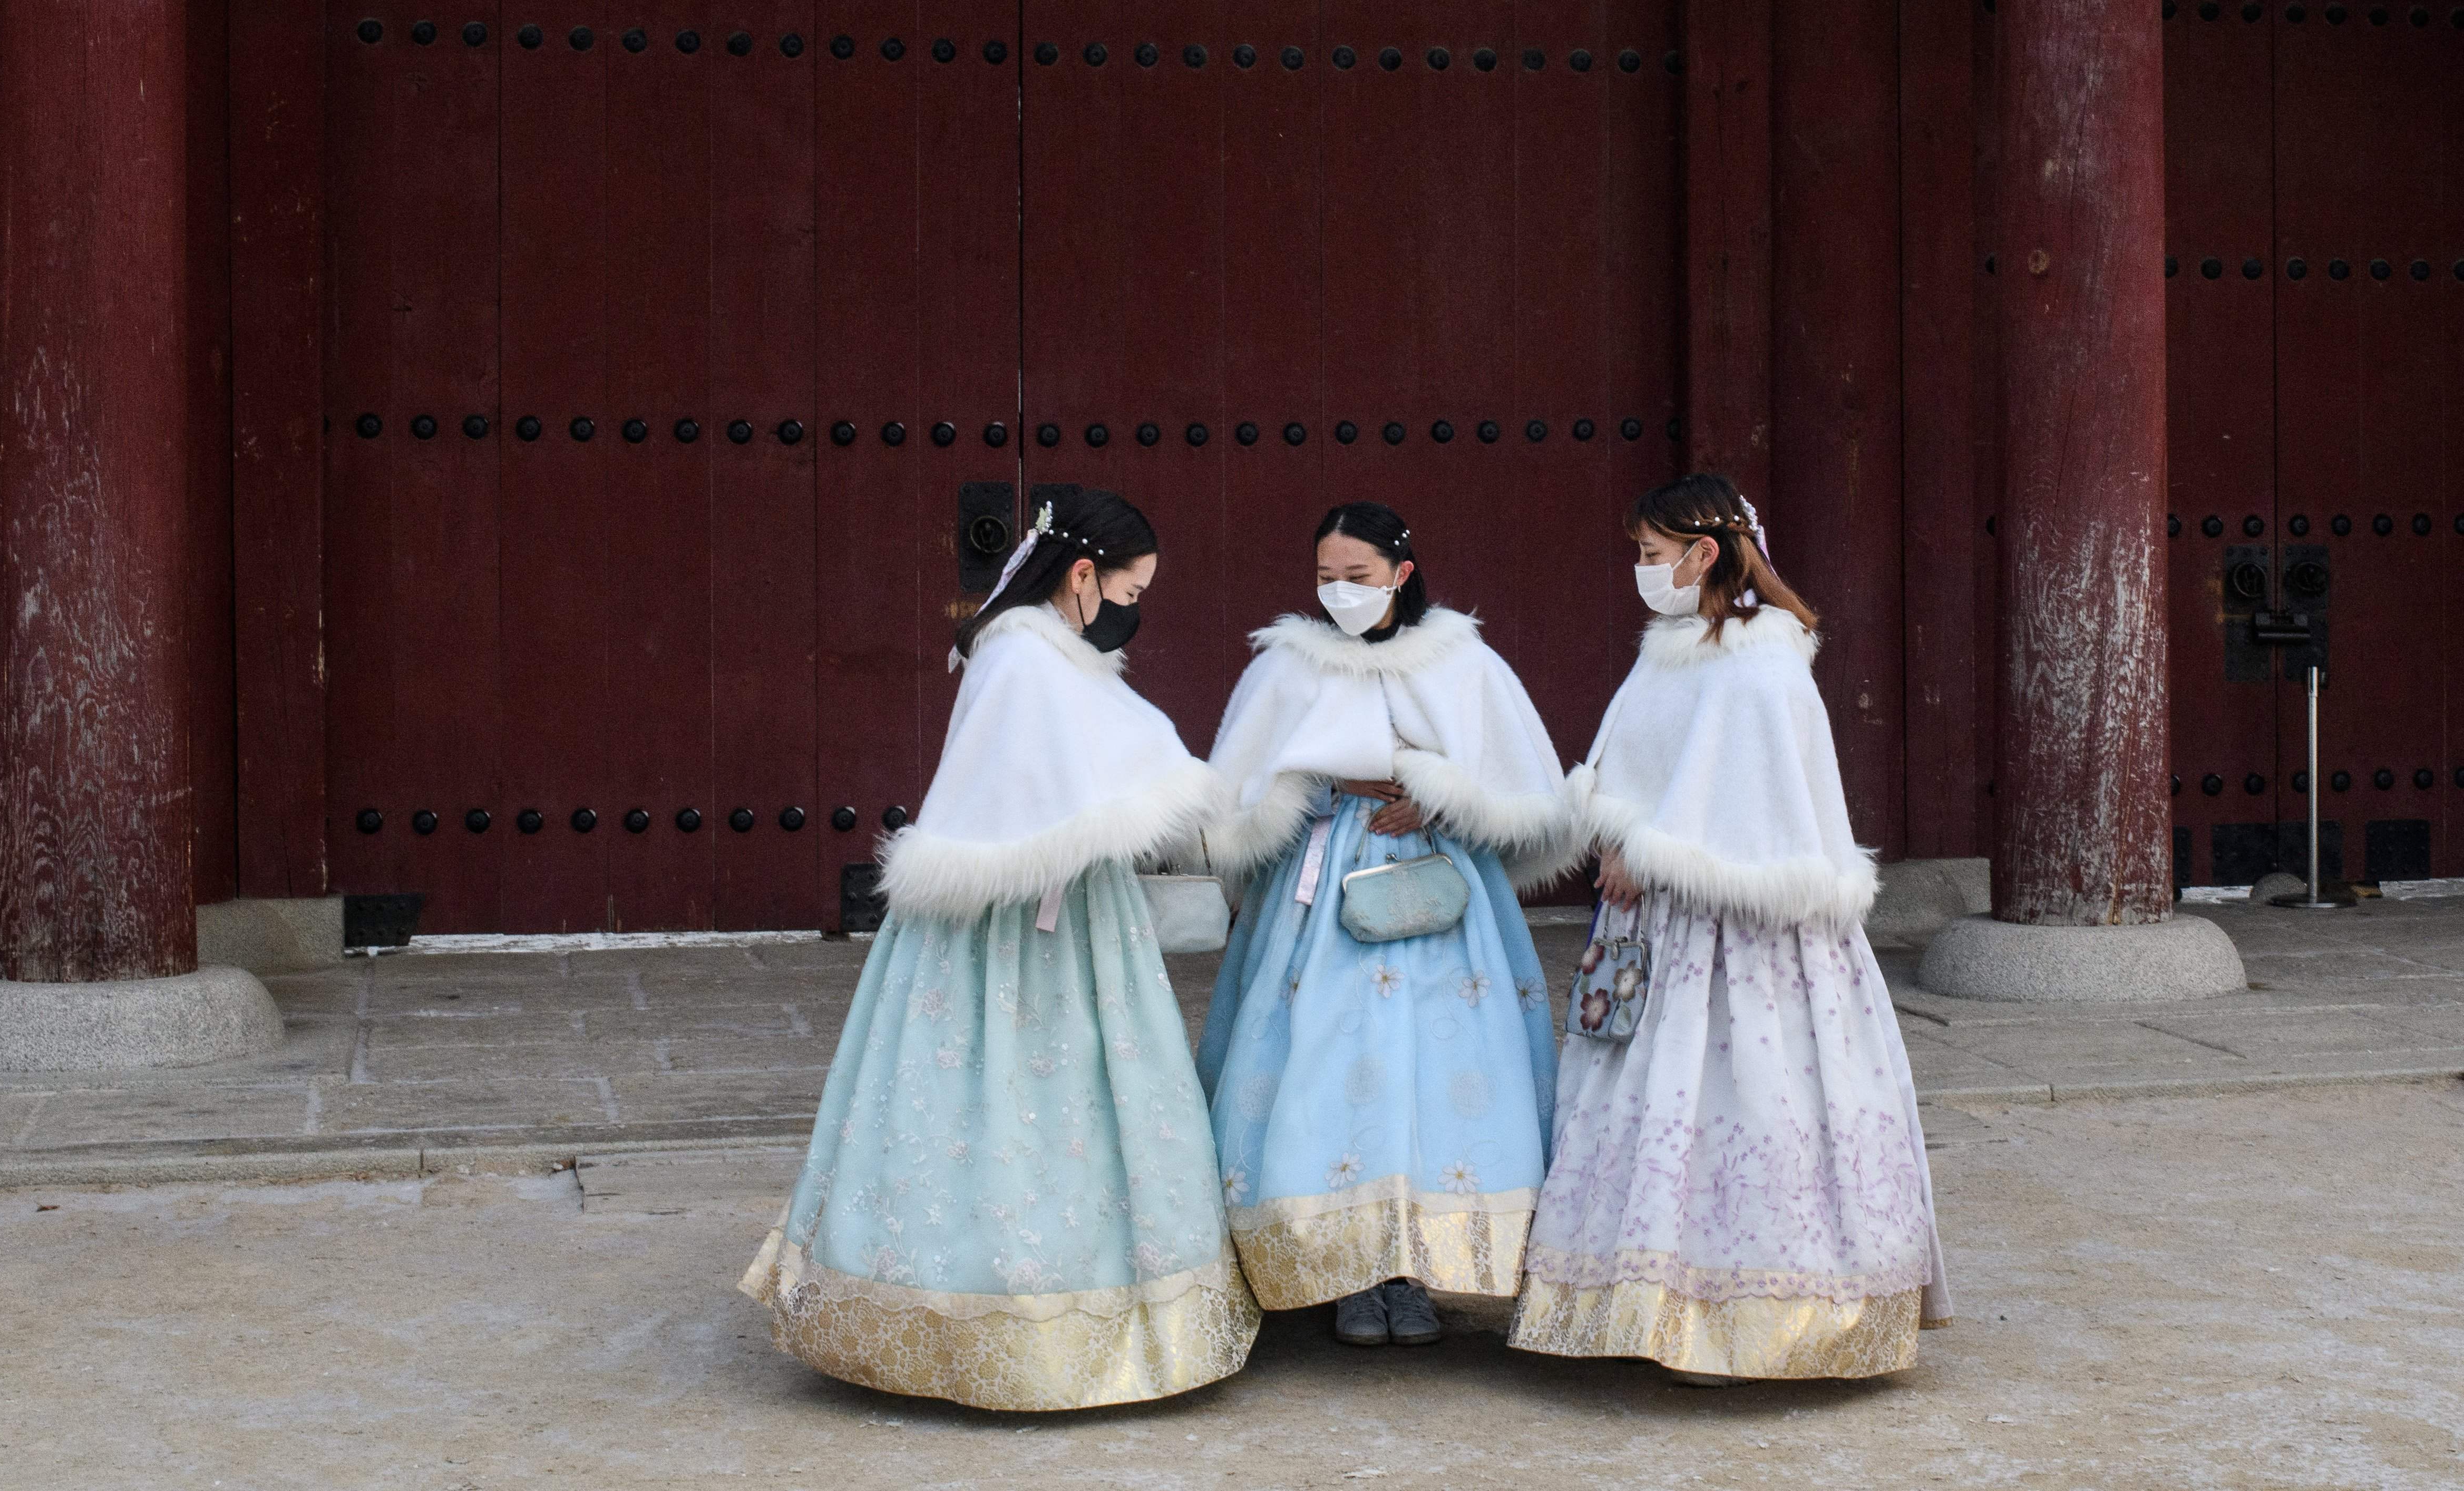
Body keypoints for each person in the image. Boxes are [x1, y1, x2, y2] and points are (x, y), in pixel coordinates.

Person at [740, 488, 1259, 1410]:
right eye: (1132, 588)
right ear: (1085, 574)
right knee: (1013, 1092)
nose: (1136, 607)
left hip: (1063, 914)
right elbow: (1030, 792)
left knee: (1015, 1098)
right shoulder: (1023, 659)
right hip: (1009, 925)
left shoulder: (1040, 655)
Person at [1510, 473, 1952, 1382]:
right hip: (1658, 926)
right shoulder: (1672, 649)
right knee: (1661, 1103)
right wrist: (1622, 835)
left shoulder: (1760, 660)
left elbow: (1759, 800)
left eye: (1651, 554)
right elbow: (1640, 764)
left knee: (1761, 1099)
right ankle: (1644, 1308)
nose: (1641, 571)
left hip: (1750, 940)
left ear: (1704, 554)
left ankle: (1769, 1320)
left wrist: (1654, 848)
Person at [1194, 502, 1573, 1347]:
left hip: (1438, 883)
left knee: (1439, 1068)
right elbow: (1244, 786)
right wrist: (1314, 789)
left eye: (1357, 578)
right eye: (1326, 578)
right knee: (1328, 1061)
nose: (1340, 594)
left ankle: (1417, 1273)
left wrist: (1433, 789)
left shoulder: (1461, 660)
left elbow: (1518, 783)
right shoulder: (1289, 663)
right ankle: (1345, 1274)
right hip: (1322, 887)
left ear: (1402, 574)